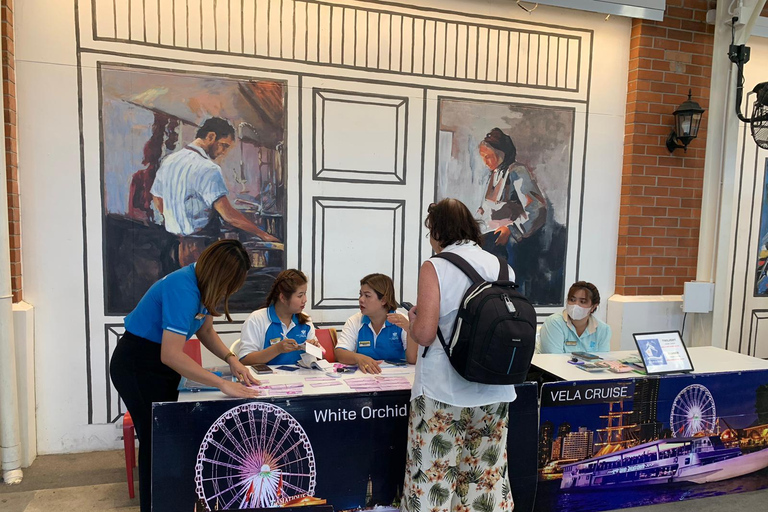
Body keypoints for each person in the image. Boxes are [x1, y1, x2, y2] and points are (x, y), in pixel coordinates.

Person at [109, 240, 260, 512]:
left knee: (168, 438)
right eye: (231, 284)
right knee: (156, 441)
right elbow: (171, 355)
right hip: (137, 364)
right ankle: (155, 506)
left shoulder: (203, 284)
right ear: (220, 275)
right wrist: (222, 384)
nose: (231, 291)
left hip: (158, 364)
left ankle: (176, 501)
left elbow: (205, 330)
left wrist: (231, 359)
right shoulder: (183, 288)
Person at [402, 198, 516, 512]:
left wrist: (413, 320)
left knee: (433, 478)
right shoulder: (502, 265)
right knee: (483, 478)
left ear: (438, 231)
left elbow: (425, 334)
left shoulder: (436, 266)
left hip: (443, 389)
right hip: (494, 386)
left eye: (430, 232)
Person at [150, 117, 279, 265]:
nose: (223, 152)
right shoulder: (208, 169)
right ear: (211, 136)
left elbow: (157, 198)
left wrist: (173, 218)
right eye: (223, 145)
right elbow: (228, 215)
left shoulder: (169, 161)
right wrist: (262, 234)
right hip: (197, 248)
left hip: (171, 246)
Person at [334, 273, 417, 374]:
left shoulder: (401, 321)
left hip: (397, 378)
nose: (361, 300)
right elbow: (340, 353)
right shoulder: (355, 320)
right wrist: (358, 358)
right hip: (365, 378)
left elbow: (413, 360)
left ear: (384, 300)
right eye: (360, 294)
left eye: (367, 296)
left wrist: (409, 329)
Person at [237, 269, 322, 365]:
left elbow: (318, 358)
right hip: (266, 378)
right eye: (300, 296)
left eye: (305, 294)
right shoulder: (257, 319)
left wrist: (313, 349)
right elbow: (245, 360)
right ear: (283, 298)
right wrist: (277, 349)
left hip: (301, 378)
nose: (305, 300)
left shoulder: (305, 320)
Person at [539, 281, 612, 354]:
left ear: (593, 307)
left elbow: (602, 360)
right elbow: (553, 359)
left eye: (582, 301)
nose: (576, 305)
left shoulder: (603, 330)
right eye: (572, 300)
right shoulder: (554, 323)